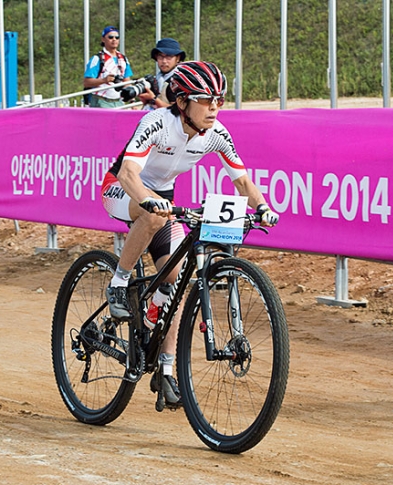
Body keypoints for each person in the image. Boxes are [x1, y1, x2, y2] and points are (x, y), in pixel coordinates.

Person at [100, 61, 279, 408]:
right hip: (122, 190)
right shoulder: (157, 123)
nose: (214, 107)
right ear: (182, 102)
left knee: (177, 281)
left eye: (219, 100)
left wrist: (262, 206)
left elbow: (241, 180)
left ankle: (166, 371)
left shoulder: (216, 133)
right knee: (151, 219)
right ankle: (119, 284)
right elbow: (127, 173)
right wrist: (149, 201)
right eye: (205, 99)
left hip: (161, 200)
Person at [83, 26, 133, 108]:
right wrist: (104, 80)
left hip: (118, 100)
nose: (114, 39)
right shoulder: (97, 59)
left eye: (117, 37)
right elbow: (87, 82)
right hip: (101, 100)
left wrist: (132, 99)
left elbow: (126, 81)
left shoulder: (123, 59)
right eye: (110, 37)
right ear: (103, 39)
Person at [138, 38, 185, 110]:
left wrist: (153, 99)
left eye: (169, 57)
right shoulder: (157, 79)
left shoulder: (179, 81)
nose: (164, 61)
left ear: (178, 58)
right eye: (160, 56)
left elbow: (178, 111)